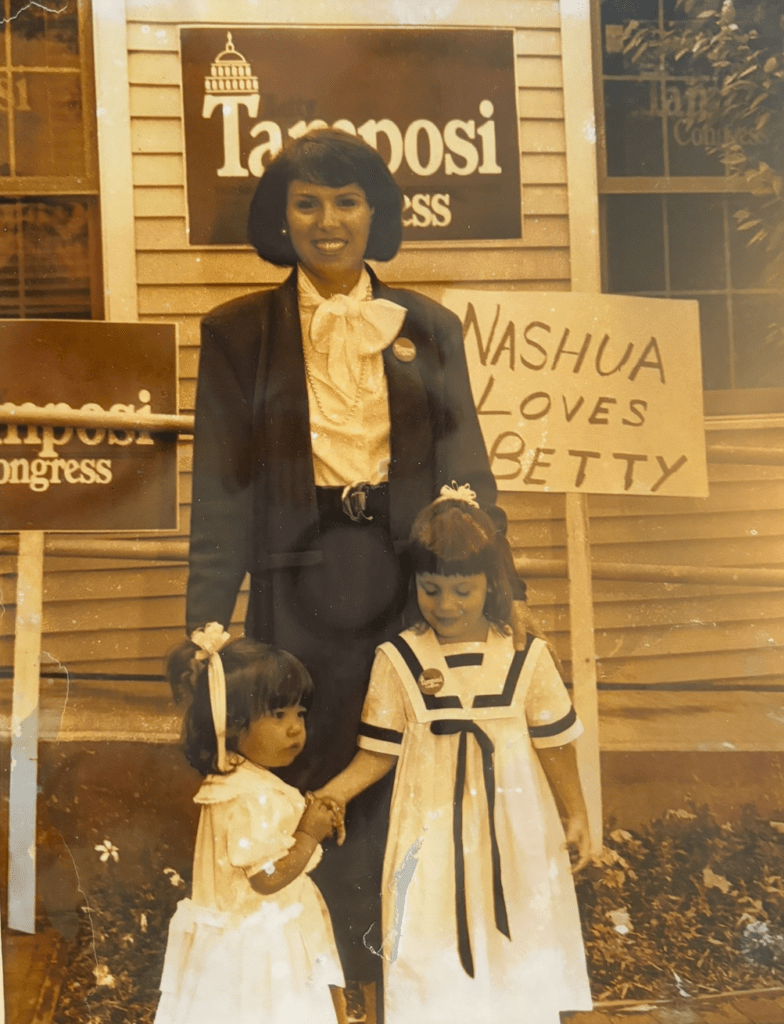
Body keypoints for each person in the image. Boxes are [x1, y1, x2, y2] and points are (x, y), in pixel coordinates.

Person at [185, 127, 528, 1010]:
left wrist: (502, 590)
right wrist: (208, 625)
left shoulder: (429, 327)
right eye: (308, 203)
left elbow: (468, 468)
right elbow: (220, 495)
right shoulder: (236, 334)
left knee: (407, 764)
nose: (328, 222)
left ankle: (406, 974)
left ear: (375, 214)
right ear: (282, 217)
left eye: (346, 201)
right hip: (299, 582)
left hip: (409, 578)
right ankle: (329, 982)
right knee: (310, 762)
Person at [317, 486, 593, 1024]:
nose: (446, 605)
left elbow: (555, 741)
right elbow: (379, 753)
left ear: (491, 584)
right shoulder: (398, 659)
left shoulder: (524, 655)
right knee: (428, 931)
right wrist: (333, 793)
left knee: (518, 931)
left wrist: (577, 812)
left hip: (514, 828)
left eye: (463, 590)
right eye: (431, 589)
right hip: (430, 830)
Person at [154, 623, 346, 1024]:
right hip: (260, 958)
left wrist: (306, 819)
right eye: (278, 715)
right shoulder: (249, 796)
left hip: (256, 945)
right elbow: (266, 878)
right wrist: (309, 834)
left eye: (300, 713)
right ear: (234, 725)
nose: (295, 728)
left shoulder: (242, 782)